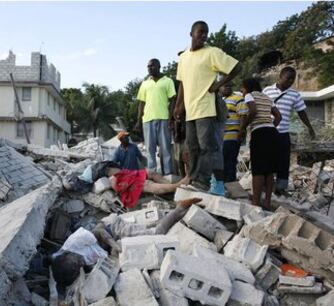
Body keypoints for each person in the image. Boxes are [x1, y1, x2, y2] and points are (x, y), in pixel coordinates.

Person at [50, 197, 201, 295]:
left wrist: (114, 245)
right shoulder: (66, 267)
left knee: (156, 233)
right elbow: (58, 285)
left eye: (77, 261)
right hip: (114, 246)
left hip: (112, 229)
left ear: (68, 253)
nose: (81, 262)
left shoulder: (74, 242)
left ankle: (180, 208)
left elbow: (99, 229)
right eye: (78, 266)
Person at [173, 20, 242, 191]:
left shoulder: (212, 52)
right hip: (190, 110)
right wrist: (179, 106)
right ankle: (195, 179)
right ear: (191, 33)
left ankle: (202, 182)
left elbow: (237, 67)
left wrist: (218, 85)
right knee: (193, 147)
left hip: (206, 108)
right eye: (200, 31)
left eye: (206, 32)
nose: (204, 35)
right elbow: (182, 84)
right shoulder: (184, 57)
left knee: (207, 148)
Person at [263, 67, 316, 195]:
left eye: (293, 79)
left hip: (283, 133)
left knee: (283, 162)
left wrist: (309, 127)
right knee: (267, 160)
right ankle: (266, 187)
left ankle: (280, 188)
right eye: (288, 78)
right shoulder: (267, 91)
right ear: (280, 77)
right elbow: (260, 108)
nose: (291, 81)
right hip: (267, 132)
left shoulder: (294, 94)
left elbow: (301, 112)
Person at [239, 78, 282, 209]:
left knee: (257, 170)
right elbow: (278, 117)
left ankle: (256, 203)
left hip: (260, 133)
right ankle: (267, 202)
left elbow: (253, 111)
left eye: (242, 88)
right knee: (269, 170)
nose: (241, 91)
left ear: (247, 87)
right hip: (272, 133)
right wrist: (270, 127)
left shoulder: (249, 95)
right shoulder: (267, 97)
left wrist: (243, 128)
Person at [136, 58, 176, 175]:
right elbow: (141, 103)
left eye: (152, 66)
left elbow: (173, 99)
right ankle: (152, 174)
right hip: (147, 120)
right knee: (150, 149)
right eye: (148, 66)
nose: (149, 68)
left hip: (163, 118)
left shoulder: (167, 81)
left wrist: (171, 117)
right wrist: (139, 120)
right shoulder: (145, 83)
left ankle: (168, 174)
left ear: (159, 67)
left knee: (165, 149)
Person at [221, 82, 248, 182]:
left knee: (230, 161)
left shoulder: (238, 99)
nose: (228, 87)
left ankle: (230, 184)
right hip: (221, 137)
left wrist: (241, 131)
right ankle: (223, 185)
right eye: (225, 85)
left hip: (232, 135)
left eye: (229, 85)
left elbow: (243, 115)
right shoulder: (219, 100)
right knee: (222, 162)